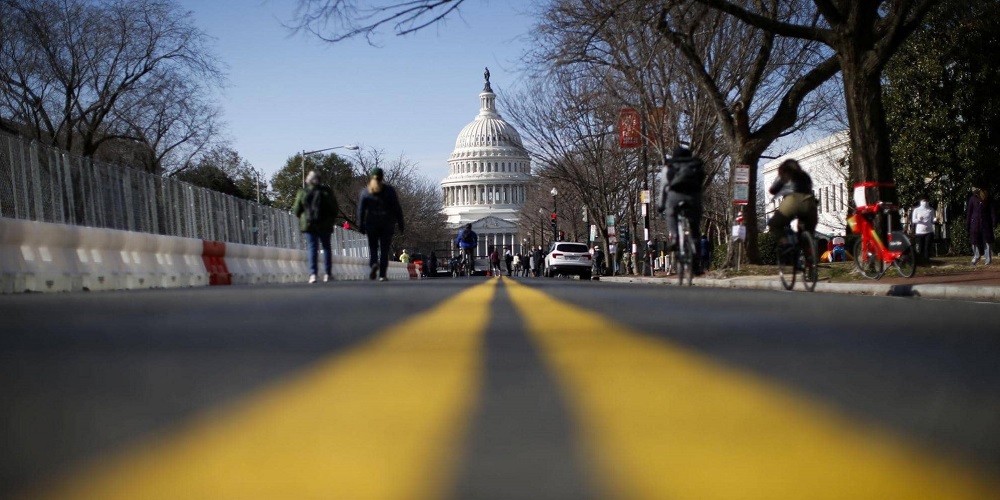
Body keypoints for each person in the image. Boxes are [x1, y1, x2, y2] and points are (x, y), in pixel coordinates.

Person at [657, 146, 706, 275]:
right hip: (693, 196)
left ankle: (675, 237)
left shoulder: (669, 166)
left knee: (671, 213)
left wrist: (661, 205)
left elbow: (663, 188)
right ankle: (696, 261)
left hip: (675, 195)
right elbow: (701, 184)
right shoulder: (696, 165)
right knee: (695, 228)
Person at [357, 168, 405, 281]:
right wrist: (400, 223)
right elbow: (397, 208)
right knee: (384, 250)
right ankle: (382, 275)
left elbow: (361, 210)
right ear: (382, 177)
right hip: (387, 223)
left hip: (371, 223)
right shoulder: (389, 190)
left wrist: (360, 225)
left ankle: (373, 264)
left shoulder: (365, 192)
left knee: (373, 248)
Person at [293, 170, 339, 284]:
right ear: (319, 180)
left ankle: (313, 274)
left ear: (308, 180)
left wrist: (303, 217)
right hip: (325, 224)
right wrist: (330, 219)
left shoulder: (303, 192)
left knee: (313, 248)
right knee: (326, 247)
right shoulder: (326, 192)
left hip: (309, 224)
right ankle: (327, 274)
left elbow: (296, 210)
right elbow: (334, 208)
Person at [766, 159, 818, 259]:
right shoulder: (805, 176)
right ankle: (809, 260)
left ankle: (786, 244)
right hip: (810, 202)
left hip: (793, 201)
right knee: (807, 230)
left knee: (774, 224)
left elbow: (773, 190)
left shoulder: (785, 174)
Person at [967, 187, 996, 265]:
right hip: (975, 223)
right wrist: (968, 223)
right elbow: (969, 212)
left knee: (987, 241)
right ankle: (976, 256)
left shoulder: (987, 198)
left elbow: (992, 210)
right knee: (974, 241)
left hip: (986, 223)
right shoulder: (972, 199)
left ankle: (988, 260)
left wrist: (993, 221)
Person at [910, 196, 935, 264]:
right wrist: (919, 219)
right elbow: (913, 220)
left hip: (929, 231)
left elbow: (932, 219)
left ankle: (927, 260)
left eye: (926, 201)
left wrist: (936, 220)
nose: (925, 202)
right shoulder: (916, 210)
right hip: (920, 232)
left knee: (927, 247)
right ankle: (921, 261)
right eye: (923, 201)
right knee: (920, 247)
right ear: (921, 201)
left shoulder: (931, 209)